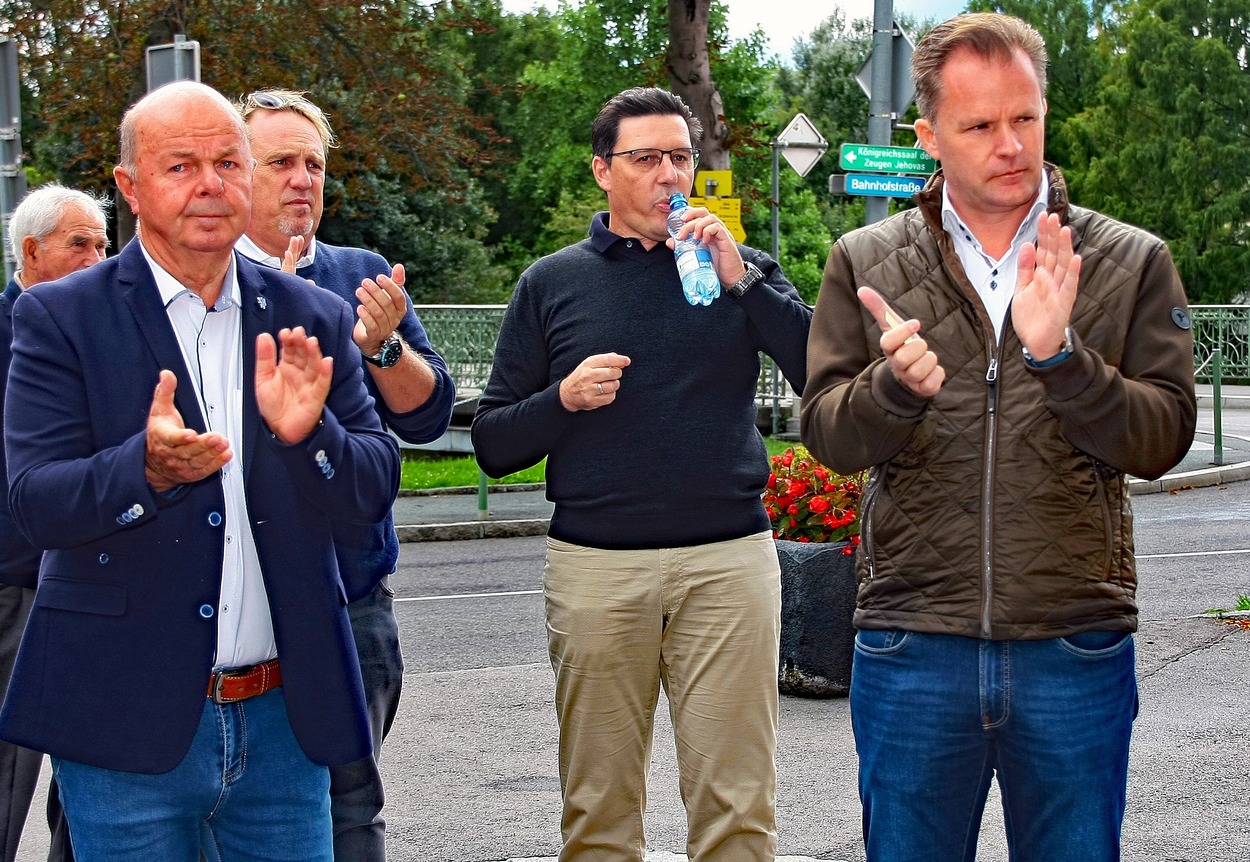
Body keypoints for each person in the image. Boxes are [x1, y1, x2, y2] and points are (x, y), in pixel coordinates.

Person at [800, 12, 1197, 861]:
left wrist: (1063, 359)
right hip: (912, 645)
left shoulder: (1128, 261)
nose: (1010, 144)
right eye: (980, 125)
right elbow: (826, 435)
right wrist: (890, 389)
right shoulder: (865, 260)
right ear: (930, 134)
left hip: (1073, 644)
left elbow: (1162, 437)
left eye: (1026, 118)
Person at [0, 81, 400, 862]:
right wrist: (140, 470)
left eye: (227, 162)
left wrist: (310, 435)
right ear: (131, 187)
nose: (211, 183)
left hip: (285, 721)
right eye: (181, 165)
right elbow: (33, 505)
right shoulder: (59, 318)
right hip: (122, 722)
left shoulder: (311, 313)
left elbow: (374, 483)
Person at [472, 87, 811, 862]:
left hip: (727, 562)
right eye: (647, 158)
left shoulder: (741, 268)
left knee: (737, 808)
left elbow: (817, 368)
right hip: (596, 567)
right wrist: (563, 398)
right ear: (603, 171)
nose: (670, 175)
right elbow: (493, 443)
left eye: (681, 156)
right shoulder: (552, 283)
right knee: (599, 810)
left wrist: (744, 280)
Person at [235, 88, 455, 860]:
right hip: (229, 596)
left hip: (349, 596)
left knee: (347, 808)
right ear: (235, 173)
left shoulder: (359, 274)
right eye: (281, 163)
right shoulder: (202, 281)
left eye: (315, 165)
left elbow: (426, 417)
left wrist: (381, 347)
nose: (303, 180)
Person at [1, 183, 109, 862]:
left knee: (91, 794)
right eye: (81, 244)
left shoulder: (105, 338)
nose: (99, 257)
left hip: (95, 594)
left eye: (104, 243)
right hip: (16, 591)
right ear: (32, 252)